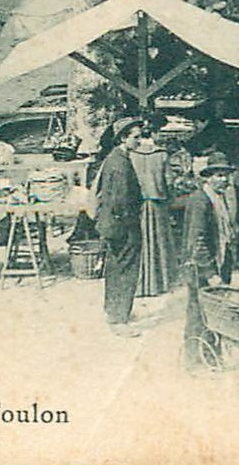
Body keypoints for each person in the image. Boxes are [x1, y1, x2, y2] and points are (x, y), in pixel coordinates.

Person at [179, 153, 238, 365]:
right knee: (198, 316)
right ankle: (194, 361)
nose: (225, 180)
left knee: (214, 314)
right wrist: (211, 273)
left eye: (227, 176)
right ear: (208, 177)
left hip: (219, 263)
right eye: (220, 175)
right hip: (201, 269)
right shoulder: (200, 201)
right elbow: (197, 242)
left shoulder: (219, 198)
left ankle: (212, 358)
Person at [95, 116, 145, 329]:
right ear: (123, 138)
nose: (140, 141)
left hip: (113, 223)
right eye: (136, 137)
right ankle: (120, 319)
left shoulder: (114, 158)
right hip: (123, 225)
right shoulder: (120, 164)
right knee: (127, 270)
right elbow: (120, 200)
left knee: (115, 268)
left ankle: (113, 310)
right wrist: (130, 225)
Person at [130, 129, 177, 297]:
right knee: (159, 243)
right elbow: (169, 182)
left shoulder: (130, 154)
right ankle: (161, 283)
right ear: (154, 136)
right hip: (158, 204)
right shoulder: (162, 155)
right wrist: (171, 200)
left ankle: (141, 285)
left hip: (138, 206)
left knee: (139, 244)